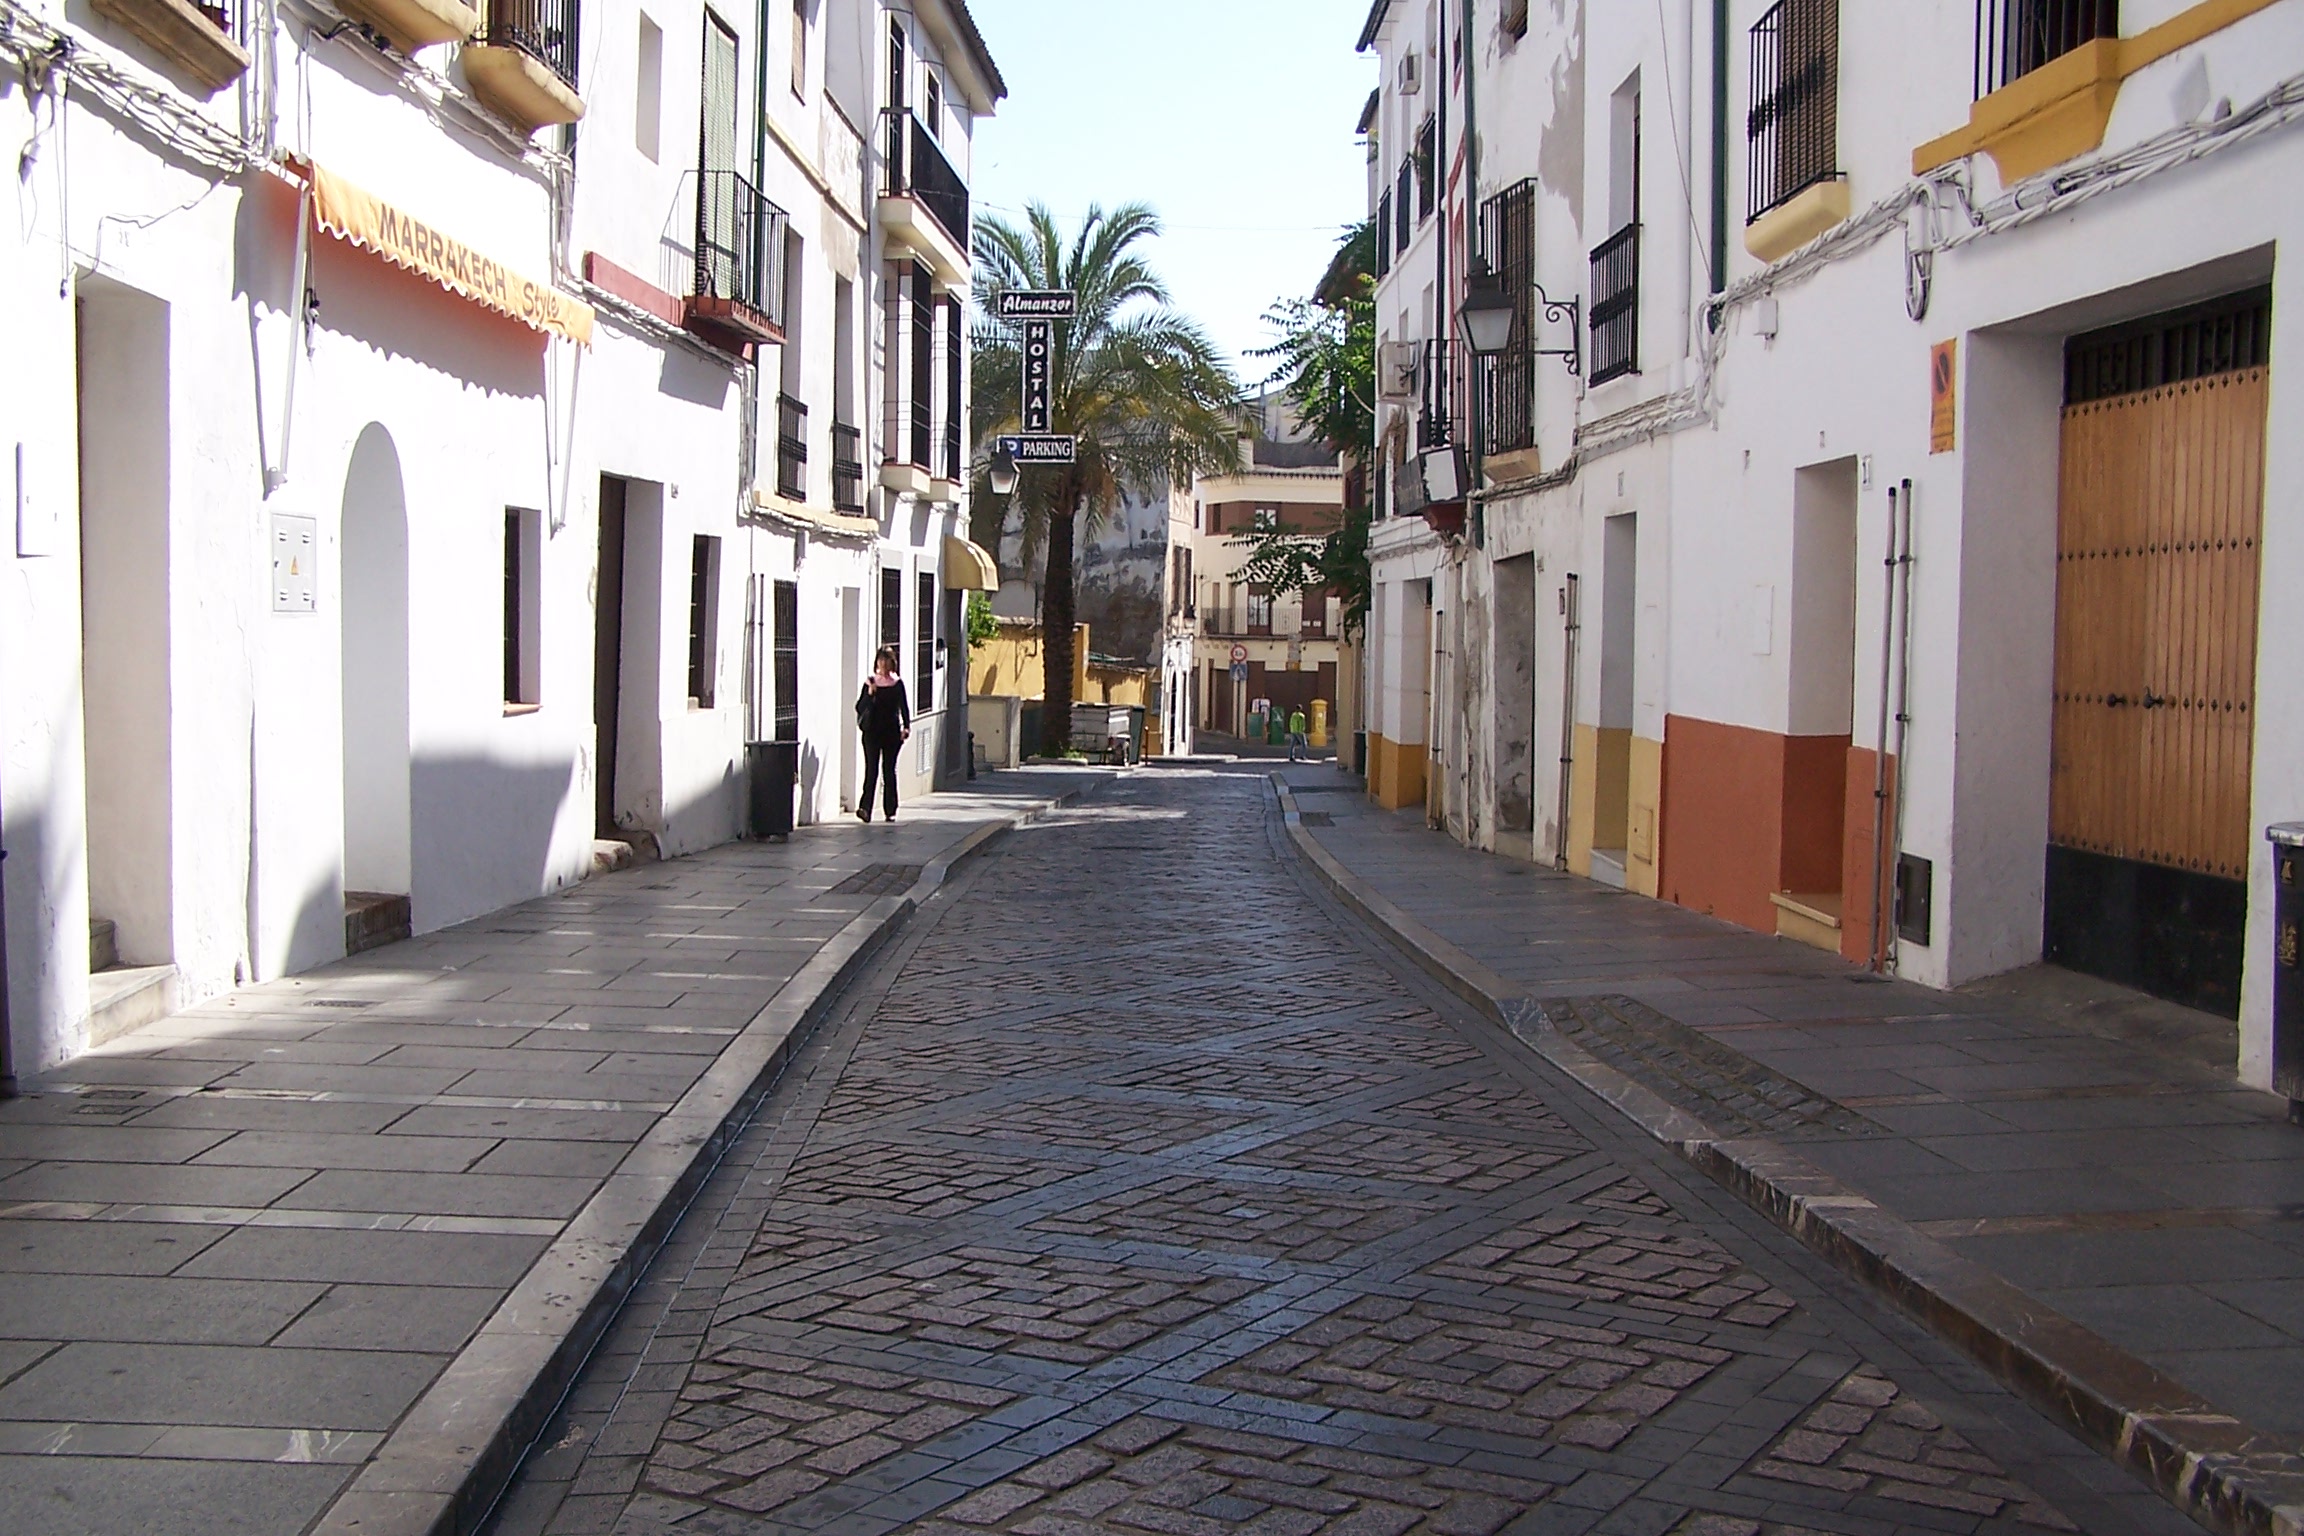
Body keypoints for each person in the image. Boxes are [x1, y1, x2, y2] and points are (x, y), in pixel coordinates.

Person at [855, 646, 911, 822]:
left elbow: (904, 707)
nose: (883, 663)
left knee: (889, 771)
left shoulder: (896, 683)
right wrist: (870, 694)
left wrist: (906, 727)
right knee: (871, 770)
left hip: (891, 733)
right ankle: (865, 808)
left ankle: (890, 809)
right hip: (872, 732)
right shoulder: (870, 682)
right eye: (880, 659)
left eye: (886, 659)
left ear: (891, 662)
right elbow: (859, 707)